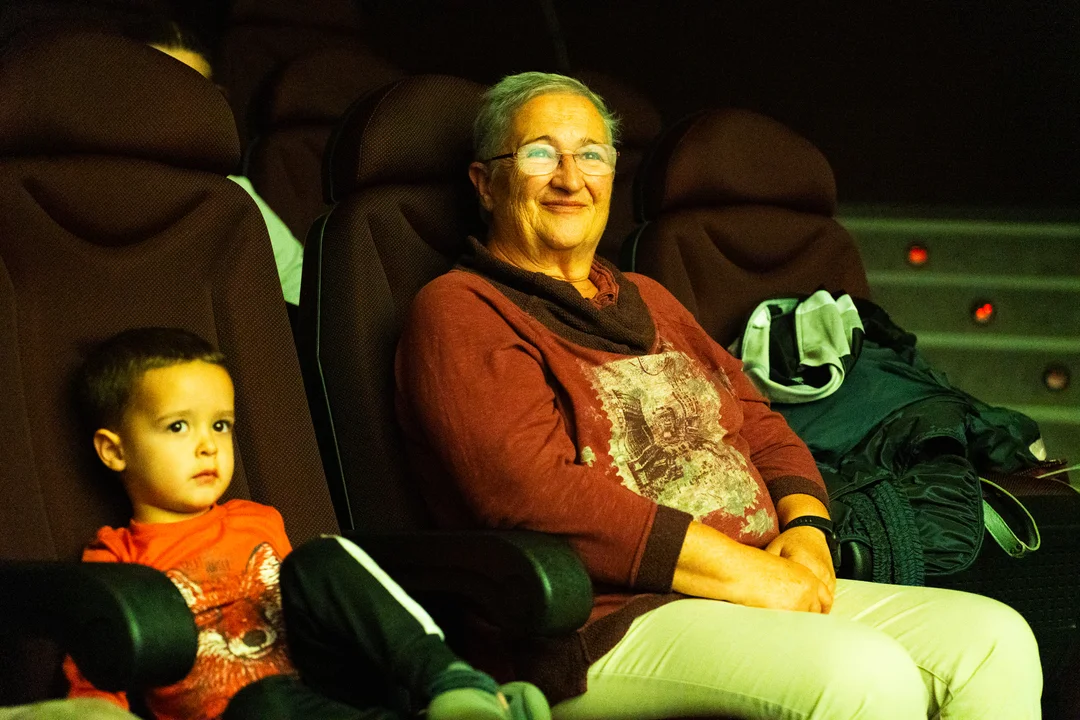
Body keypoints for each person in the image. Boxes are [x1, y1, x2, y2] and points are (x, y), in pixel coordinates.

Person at [394, 71, 1044, 719]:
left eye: (591, 154)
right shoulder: (461, 308)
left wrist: (808, 530)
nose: (571, 177)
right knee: (863, 675)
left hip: (753, 584)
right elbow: (533, 493)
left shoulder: (650, 298)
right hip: (602, 624)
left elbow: (762, 426)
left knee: (994, 642)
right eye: (540, 154)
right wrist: (744, 572)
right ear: (485, 183)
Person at [66, 327, 550, 720]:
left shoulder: (258, 521)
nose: (208, 445)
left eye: (221, 425)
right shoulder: (115, 562)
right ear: (114, 450)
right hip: (249, 715)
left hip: (330, 689)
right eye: (177, 426)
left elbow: (319, 616)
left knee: (320, 557)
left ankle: (458, 686)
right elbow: (96, 690)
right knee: (264, 704)